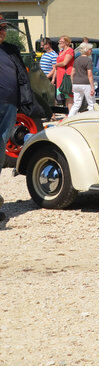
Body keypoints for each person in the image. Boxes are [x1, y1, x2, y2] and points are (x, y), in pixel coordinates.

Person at [0, 22, 35, 227]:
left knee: (1, 148)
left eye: (3, 29)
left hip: (10, 105)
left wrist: (25, 102)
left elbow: (22, 77)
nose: (2, 32)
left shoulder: (11, 51)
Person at [68, 44, 96, 117]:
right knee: (91, 103)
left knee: (76, 104)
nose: (91, 51)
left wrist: (72, 84)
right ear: (86, 50)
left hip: (76, 83)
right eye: (90, 49)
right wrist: (92, 87)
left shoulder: (76, 60)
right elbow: (90, 75)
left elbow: (72, 73)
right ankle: (92, 118)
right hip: (85, 84)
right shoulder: (88, 60)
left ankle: (70, 118)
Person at [52, 35, 75, 109]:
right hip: (60, 76)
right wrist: (53, 79)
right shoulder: (61, 52)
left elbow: (65, 63)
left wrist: (56, 65)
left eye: (61, 41)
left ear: (67, 42)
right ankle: (67, 114)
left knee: (69, 97)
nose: (60, 43)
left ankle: (70, 115)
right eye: (59, 42)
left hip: (67, 76)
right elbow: (57, 67)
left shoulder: (70, 50)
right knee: (64, 97)